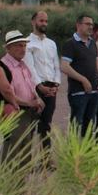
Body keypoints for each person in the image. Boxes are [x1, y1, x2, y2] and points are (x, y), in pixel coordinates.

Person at [0, 30, 46, 161]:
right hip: (15, 112)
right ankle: (7, 180)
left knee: (25, 152)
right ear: (8, 48)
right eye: (19, 45)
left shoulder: (23, 64)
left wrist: (37, 98)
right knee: (13, 151)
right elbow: (8, 94)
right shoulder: (4, 66)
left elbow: (30, 85)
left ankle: (22, 181)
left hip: (28, 112)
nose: (23, 49)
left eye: (24, 45)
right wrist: (30, 103)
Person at [59, 14, 98, 134]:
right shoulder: (70, 44)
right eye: (87, 24)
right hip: (78, 93)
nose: (90, 27)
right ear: (78, 25)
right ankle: (74, 152)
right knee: (76, 127)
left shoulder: (93, 43)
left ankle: (87, 153)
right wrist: (83, 80)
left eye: (92, 24)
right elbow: (64, 66)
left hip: (94, 92)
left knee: (89, 128)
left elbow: (96, 64)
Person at [26, 11, 61, 144]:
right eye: (41, 21)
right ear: (33, 22)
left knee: (46, 125)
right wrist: (40, 86)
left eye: (46, 21)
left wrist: (56, 84)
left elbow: (56, 65)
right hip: (36, 88)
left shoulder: (51, 43)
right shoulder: (28, 43)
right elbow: (30, 67)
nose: (44, 23)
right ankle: (27, 159)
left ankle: (45, 161)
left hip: (51, 88)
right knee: (31, 125)